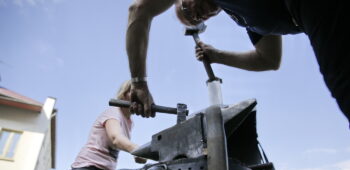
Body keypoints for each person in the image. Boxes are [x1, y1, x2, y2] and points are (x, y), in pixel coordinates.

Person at [126, 0, 350, 124]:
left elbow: (139, 9)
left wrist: (139, 83)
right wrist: (217, 56)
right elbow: (269, 59)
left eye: (186, 8)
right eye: (194, 20)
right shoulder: (247, 17)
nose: (196, 16)